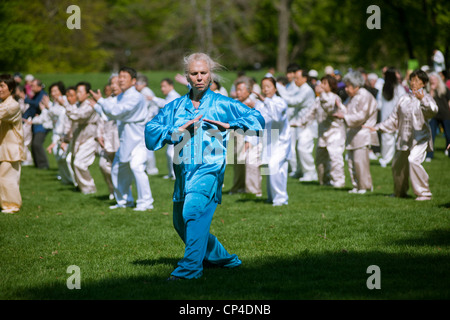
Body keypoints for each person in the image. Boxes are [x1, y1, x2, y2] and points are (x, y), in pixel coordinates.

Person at [145, 52, 265, 280]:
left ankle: (189, 270)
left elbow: (257, 120)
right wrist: (175, 132)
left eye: (204, 73)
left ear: (211, 76)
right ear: (187, 77)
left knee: (193, 211)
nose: (199, 77)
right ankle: (224, 259)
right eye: (194, 73)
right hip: (182, 172)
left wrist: (231, 124)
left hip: (209, 170)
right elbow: (151, 131)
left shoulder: (223, 104)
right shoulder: (175, 107)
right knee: (181, 222)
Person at [366, 69, 438, 201]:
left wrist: (423, 100)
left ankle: (424, 193)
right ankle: (400, 192)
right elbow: (393, 119)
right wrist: (377, 127)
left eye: (417, 80)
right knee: (397, 165)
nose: (413, 83)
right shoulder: (403, 99)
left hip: (420, 139)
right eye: (412, 80)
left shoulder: (427, 98)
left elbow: (433, 111)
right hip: (404, 139)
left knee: (413, 160)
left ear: (424, 83)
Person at [90, 67, 154, 211]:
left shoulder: (135, 96)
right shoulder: (121, 96)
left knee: (137, 167)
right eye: (120, 76)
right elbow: (109, 115)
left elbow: (116, 111)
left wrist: (100, 100)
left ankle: (146, 202)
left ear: (133, 81)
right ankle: (124, 201)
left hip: (139, 139)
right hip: (126, 139)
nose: (121, 79)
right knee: (118, 169)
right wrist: (98, 106)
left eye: (125, 76)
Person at [292, 75, 346, 188]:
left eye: (324, 83)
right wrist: (300, 123)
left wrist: (322, 95)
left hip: (335, 132)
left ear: (331, 86)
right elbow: (310, 113)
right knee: (320, 159)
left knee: (335, 158)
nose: (321, 85)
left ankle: (338, 182)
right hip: (322, 132)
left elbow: (329, 107)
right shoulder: (319, 99)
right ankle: (324, 180)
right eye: (321, 83)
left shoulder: (334, 98)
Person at [334, 71, 378, 194]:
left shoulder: (365, 96)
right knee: (351, 162)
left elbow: (361, 116)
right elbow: (347, 111)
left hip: (363, 132)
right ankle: (356, 185)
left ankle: (364, 186)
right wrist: (340, 107)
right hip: (353, 133)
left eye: (348, 86)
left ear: (356, 86)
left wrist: (344, 117)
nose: (346, 89)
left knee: (360, 161)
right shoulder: (353, 97)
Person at [277, 66, 318, 181]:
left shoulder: (306, 90)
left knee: (303, 148)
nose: (295, 80)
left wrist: (279, 89)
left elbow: (293, 102)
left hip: (308, 125)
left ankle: (310, 172)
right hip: (300, 124)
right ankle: (300, 170)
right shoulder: (301, 89)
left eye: (297, 78)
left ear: (305, 78)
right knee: (297, 147)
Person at [254, 77, 291, 206]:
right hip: (268, 141)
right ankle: (271, 196)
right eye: (263, 86)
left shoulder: (280, 102)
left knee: (275, 166)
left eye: (268, 86)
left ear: (275, 88)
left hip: (281, 140)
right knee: (268, 168)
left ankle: (281, 198)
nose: (265, 89)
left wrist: (265, 101)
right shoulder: (259, 103)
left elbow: (277, 117)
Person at [59, 82, 99, 194]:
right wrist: (65, 139)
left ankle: (90, 189)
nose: (78, 94)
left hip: (90, 138)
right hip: (78, 138)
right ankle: (82, 188)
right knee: (73, 162)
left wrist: (65, 105)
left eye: (81, 92)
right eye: (77, 92)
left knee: (79, 163)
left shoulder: (90, 105)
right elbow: (70, 122)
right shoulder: (76, 106)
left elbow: (79, 116)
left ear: (87, 94)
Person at [229, 76, 263, 196]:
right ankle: (238, 186)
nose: (237, 92)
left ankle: (254, 190)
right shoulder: (235, 103)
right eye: (237, 89)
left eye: (240, 90)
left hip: (251, 137)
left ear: (248, 91)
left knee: (251, 163)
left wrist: (249, 141)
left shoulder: (254, 104)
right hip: (236, 137)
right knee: (238, 163)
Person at [0, 74, 26, 214]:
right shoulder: (4, 104)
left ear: (10, 89)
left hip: (11, 148)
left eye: (2, 86)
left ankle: (12, 205)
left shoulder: (13, 105)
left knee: (7, 178)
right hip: (4, 147)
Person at [93, 75, 121, 199]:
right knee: (103, 165)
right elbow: (101, 120)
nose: (113, 86)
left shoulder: (125, 100)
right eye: (112, 83)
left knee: (120, 168)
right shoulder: (107, 101)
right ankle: (113, 190)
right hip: (107, 138)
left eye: (116, 83)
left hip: (120, 139)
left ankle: (122, 193)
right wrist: (99, 135)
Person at [148, 78, 181, 180]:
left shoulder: (174, 96)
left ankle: (176, 174)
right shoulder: (169, 96)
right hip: (170, 128)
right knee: (169, 152)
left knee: (172, 152)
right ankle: (172, 173)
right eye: (161, 86)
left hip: (177, 127)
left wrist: (153, 99)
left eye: (164, 86)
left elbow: (167, 105)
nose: (162, 89)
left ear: (171, 86)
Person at [377, 67, 407, 167]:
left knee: (386, 140)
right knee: (398, 139)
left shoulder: (382, 88)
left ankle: (385, 159)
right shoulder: (399, 88)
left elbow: (379, 105)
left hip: (386, 117)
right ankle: (397, 159)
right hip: (397, 117)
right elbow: (403, 103)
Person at [23, 79, 49, 169]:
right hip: (35, 124)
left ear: (39, 86)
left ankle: (44, 165)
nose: (31, 88)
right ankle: (38, 165)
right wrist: (24, 117)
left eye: (33, 86)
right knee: (34, 145)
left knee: (37, 143)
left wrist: (27, 100)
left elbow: (39, 105)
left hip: (42, 125)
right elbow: (31, 109)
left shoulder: (43, 95)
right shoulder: (35, 96)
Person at [135, 74, 159, 175]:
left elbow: (144, 109)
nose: (135, 86)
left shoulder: (145, 92)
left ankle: (151, 169)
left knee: (147, 147)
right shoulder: (144, 92)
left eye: (137, 83)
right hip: (148, 121)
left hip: (148, 122)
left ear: (143, 84)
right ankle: (148, 168)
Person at [426, 72, 450, 160]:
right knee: (431, 135)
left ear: (438, 80)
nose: (433, 81)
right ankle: (429, 155)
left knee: (448, 134)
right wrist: (431, 90)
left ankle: (448, 151)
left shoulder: (444, 89)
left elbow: (449, 100)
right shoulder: (429, 90)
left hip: (445, 114)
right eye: (431, 80)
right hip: (434, 116)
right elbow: (428, 100)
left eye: (434, 80)